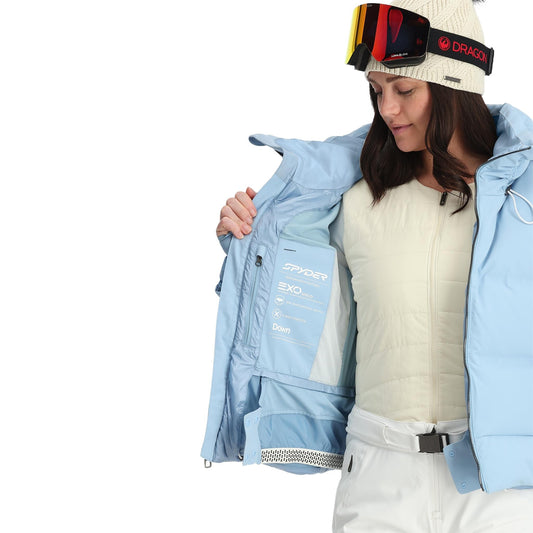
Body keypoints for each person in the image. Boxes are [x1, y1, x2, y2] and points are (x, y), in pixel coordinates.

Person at [208, 0, 533, 531]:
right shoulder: (357, 201)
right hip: (379, 477)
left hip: (500, 486)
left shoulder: (523, 203)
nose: (387, 109)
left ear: (456, 85)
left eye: (404, 89)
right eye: (377, 90)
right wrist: (246, 236)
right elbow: (294, 298)